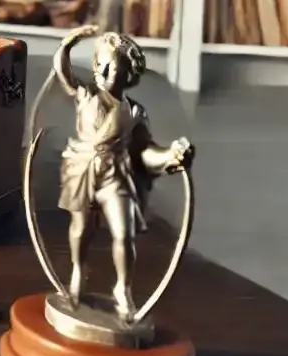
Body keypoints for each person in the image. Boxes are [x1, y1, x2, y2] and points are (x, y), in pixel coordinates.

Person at [52, 26, 195, 319]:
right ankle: (79, 271)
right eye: (99, 63)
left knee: (123, 231)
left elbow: (145, 152)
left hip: (115, 174)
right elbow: (63, 72)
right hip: (82, 167)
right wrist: (68, 44)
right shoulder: (86, 94)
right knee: (81, 228)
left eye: (112, 64)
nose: (102, 69)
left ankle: (123, 289)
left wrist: (172, 155)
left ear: (128, 72)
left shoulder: (134, 113)